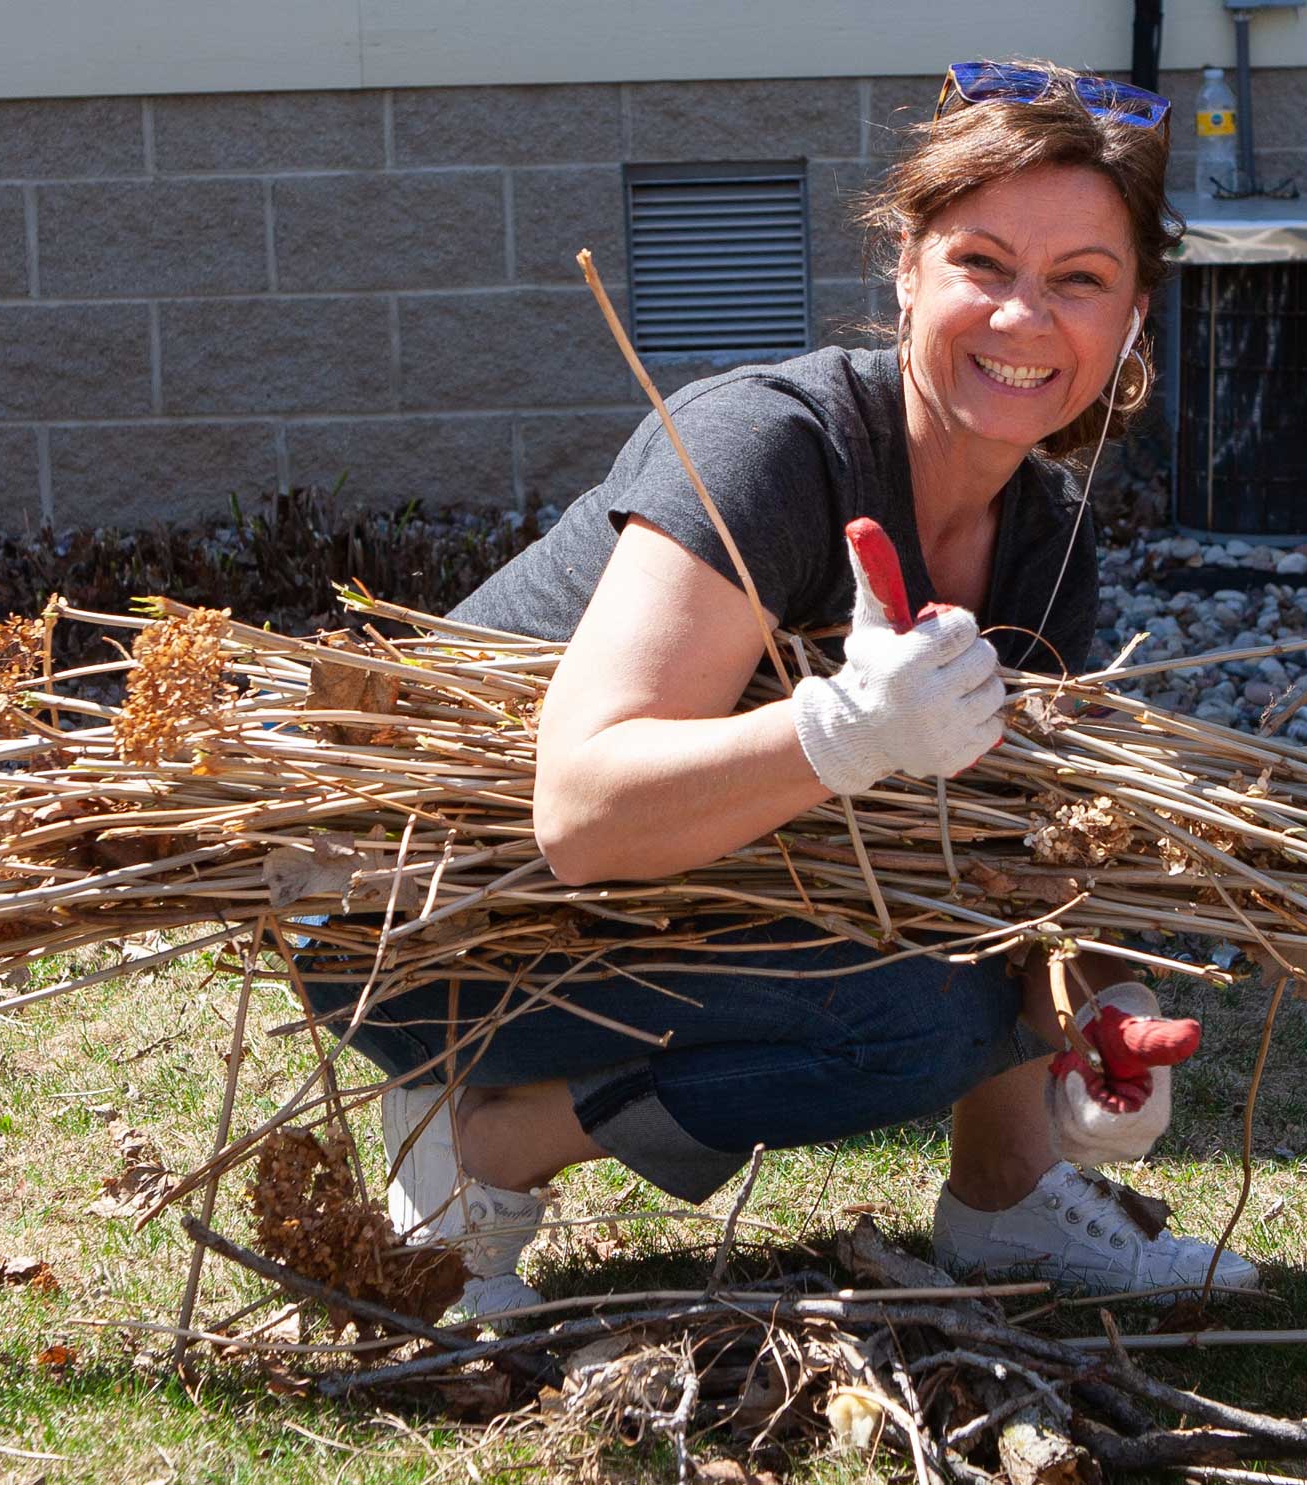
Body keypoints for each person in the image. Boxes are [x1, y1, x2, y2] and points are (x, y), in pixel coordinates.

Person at [298, 59, 1254, 1322]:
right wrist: (843, 730)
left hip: (667, 905)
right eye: (981, 263)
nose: (1025, 319)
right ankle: (486, 1137)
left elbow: (1015, 857)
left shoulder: (1044, 528)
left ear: (1133, 316)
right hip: (421, 924)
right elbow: (581, 813)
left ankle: (1009, 1196)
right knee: (917, 1015)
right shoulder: (775, 449)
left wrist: (1091, 1017)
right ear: (905, 267)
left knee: (975, 953)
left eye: (1079, 280)